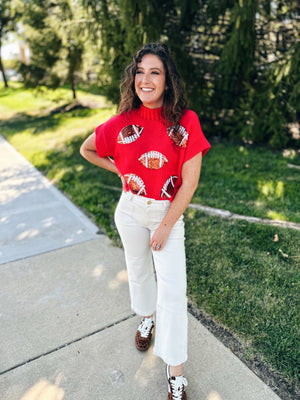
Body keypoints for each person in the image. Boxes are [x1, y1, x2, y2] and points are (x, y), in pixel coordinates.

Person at [80, 42, 210, 400]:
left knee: (174, 291)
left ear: (168, 82)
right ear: (132, 79)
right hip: (131, 210)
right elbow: (87, 149)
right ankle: (146, 318)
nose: (146, 79)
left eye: (155, 72)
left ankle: (175, 369)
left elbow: (191, 181)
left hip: (167, 213)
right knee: (138, 270)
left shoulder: (185, 122)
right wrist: (120, 171)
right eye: (140, 72)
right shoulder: (122, 123)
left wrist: (167, 224)